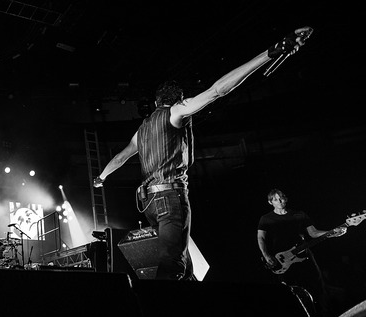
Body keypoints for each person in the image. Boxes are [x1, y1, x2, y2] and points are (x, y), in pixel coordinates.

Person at [93, 27, 313, 280]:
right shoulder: (175, 111)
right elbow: (218, 90)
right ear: (179, 99)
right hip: (169, 197)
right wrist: (271, 53)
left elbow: (121, 157)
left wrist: (101, 177)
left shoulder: (142, 129)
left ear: (155, 102)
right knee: (172, 264)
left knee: (183, 264)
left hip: (149, 204)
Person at [257, 189, 347, 317]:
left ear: (286, 199)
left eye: (281, 198)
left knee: (318, 287)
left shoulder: (299, 214)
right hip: (283, 261)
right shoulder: (266, 219)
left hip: (304, 256)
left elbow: (314, 232)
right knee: (293, 292)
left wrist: (332, 233)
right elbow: (261, 238)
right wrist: (267, 255)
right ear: (270, 202)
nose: (280, 201)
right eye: (276, 199)